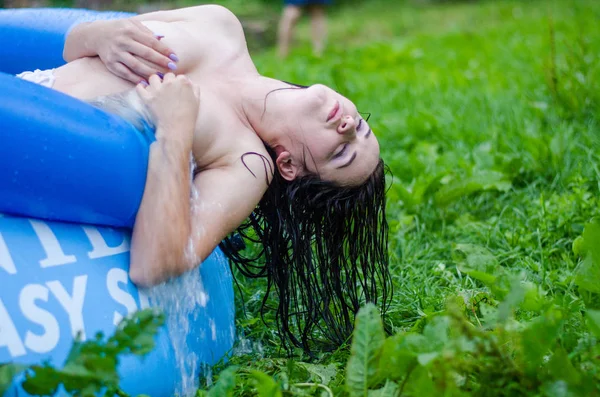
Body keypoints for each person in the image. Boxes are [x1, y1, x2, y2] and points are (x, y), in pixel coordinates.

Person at [17, 4, 391, 352]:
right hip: (18, 89)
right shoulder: (222, 23)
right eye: (359, 126)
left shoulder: (245, 163)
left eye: (341, 151)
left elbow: (155, 265)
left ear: (291, 167)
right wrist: (100, 36)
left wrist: (176, 131)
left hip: (22, 145)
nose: (347, 126)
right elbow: (70, 47)